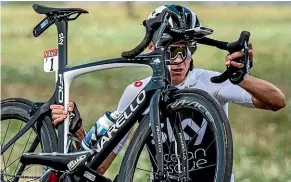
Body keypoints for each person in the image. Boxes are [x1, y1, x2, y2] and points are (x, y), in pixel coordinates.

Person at [50, 4, 286, 182]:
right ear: (153, 49)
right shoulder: (136, 93)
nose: (179, 60)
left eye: (186, 50)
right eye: (171, 51)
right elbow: (100, 165)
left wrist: (243, 78)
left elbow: (277, 101)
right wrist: (78, 129)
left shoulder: (210, 82)